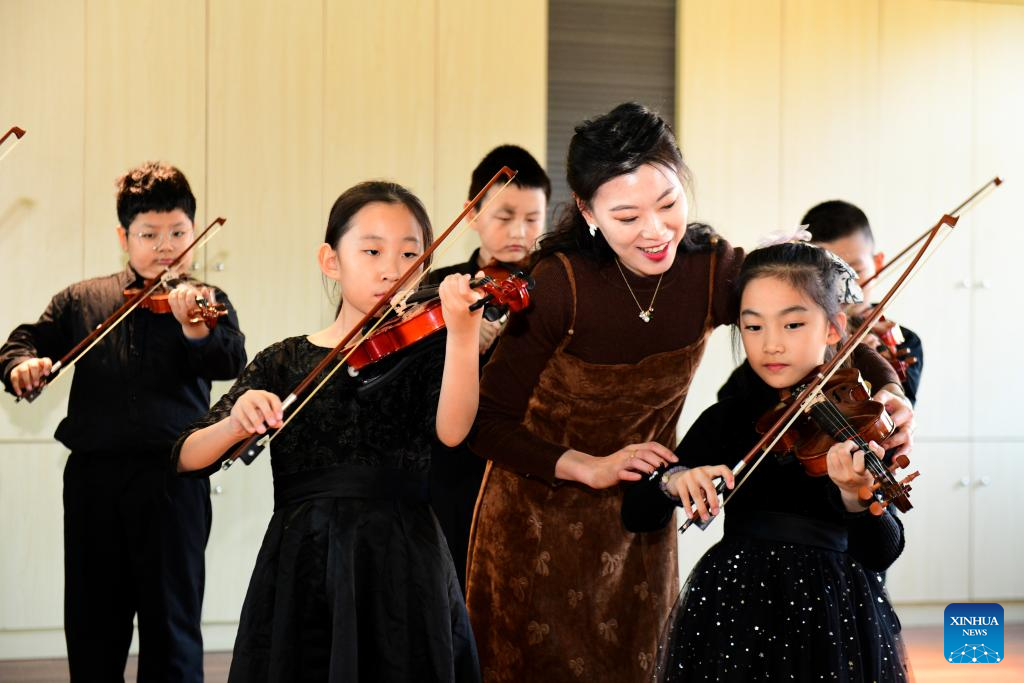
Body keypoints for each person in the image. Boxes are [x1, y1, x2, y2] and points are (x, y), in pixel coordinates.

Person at [174, 181, 483, 682]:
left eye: (410, 254)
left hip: (404, 561)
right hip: (305, 561)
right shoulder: (285, 360)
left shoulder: (431, 352)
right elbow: (187, 455)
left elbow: (453, 432)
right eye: (372, 251)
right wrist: (234, 422)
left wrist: (463, 336)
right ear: (330, 260)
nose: (392, 268)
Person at [0, 161, 247, 682]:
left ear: (195, 231)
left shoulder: (207, 301)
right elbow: (25, 341)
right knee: (94, 622)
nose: (166, 246)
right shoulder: (82, 299)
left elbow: (231, 361)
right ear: (123, 237)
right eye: (149, 234)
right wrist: (23, 365)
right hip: (95, 481)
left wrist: (195, 328)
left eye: (178, 232)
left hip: (174, 480)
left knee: (173, 623)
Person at [622, 240, 912, 681]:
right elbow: (637, 512)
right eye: (753, 327)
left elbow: (882, 551)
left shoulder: (858, 420)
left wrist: (856, 497)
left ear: (834, 328)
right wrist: (673, 481)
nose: (771, 345)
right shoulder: (730, 417)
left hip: (832, 611)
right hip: (736, 604)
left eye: (793, 324)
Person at [426, 144, 550, 591]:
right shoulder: (442, 288)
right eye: (504, 216)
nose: (519, 232)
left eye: (533, 219)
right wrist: (461, 344)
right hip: (456, 466)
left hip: (533, 462)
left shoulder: (554, 288)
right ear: (471, 214)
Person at [720, 200, 924, 406]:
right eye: (828, 277)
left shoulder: (902, 341)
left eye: (855, 272)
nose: (841, 289)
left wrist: (869, 365)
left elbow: (897, 408)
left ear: (878, 264)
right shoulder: (771, 347)